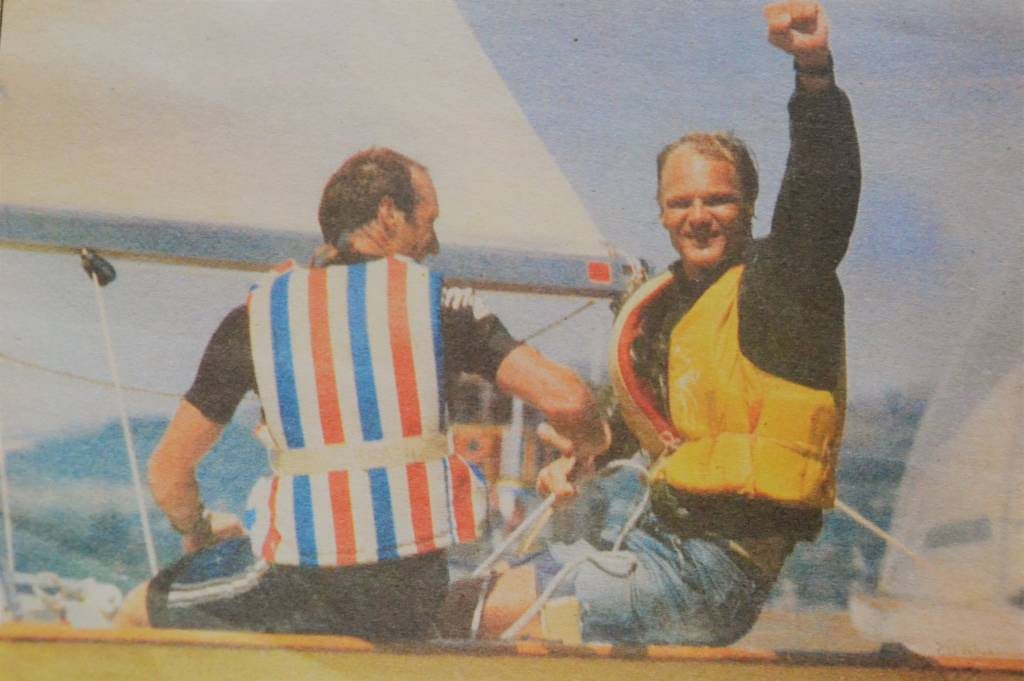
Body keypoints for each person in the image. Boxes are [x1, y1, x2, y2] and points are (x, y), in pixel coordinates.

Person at [472, 0, 860, 645]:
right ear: (660, 212)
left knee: (473, 613)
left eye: (719, 200)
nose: (698, 216)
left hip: (709, 577)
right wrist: (583, 460)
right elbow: (644, 428)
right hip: (648, 542)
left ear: (750, 206)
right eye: (681, 203)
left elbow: (822, 194)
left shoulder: (784, 286)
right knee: (468, 589)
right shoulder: (669, 311)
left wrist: (813, 71)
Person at [114, 147, 609, 640]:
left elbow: (168, 474)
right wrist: (585, 448)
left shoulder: (257, 318)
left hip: (304, 589)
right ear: (389, 214)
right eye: (428, 223)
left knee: (137, 613)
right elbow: (569, 400)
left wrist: (199, 530)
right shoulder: (441, 305)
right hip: (411, 597)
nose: (434, 243)